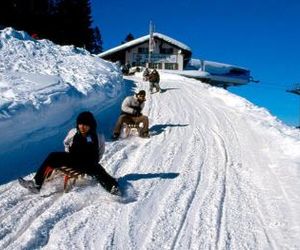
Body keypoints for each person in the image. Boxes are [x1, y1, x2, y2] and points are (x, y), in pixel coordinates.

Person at [18, 111, 120, 195]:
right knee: (53, 156)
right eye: (80, 124)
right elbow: (66, 143)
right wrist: (68, 155)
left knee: (99, 170)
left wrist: (93, 162)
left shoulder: (98, 136)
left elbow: (100, 152)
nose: (82, 127)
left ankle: (112, 187)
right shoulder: (73, 132)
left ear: (91, 125)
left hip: (88, 163)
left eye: (85, 125)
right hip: (73, 159)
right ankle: (36, 184)